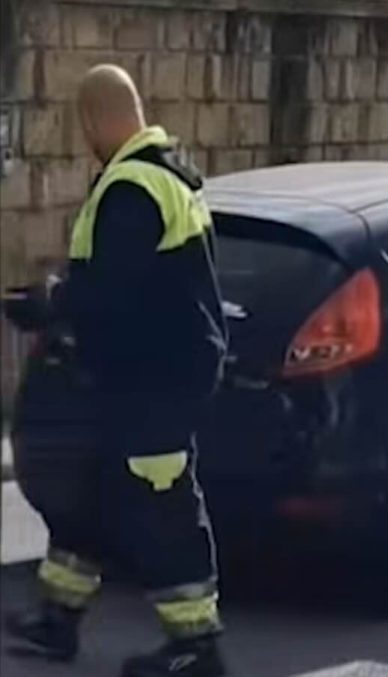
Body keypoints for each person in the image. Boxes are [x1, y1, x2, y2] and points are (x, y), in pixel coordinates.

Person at [4, 64, 229, 677]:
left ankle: (197, 647)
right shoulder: (161, 175)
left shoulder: (132, 186)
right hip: (139, 373)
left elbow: (111, 291)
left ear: (92, 120)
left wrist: (49, 302)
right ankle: (59, 619)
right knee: (92, 490)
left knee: (162, 506)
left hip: (158, 379)